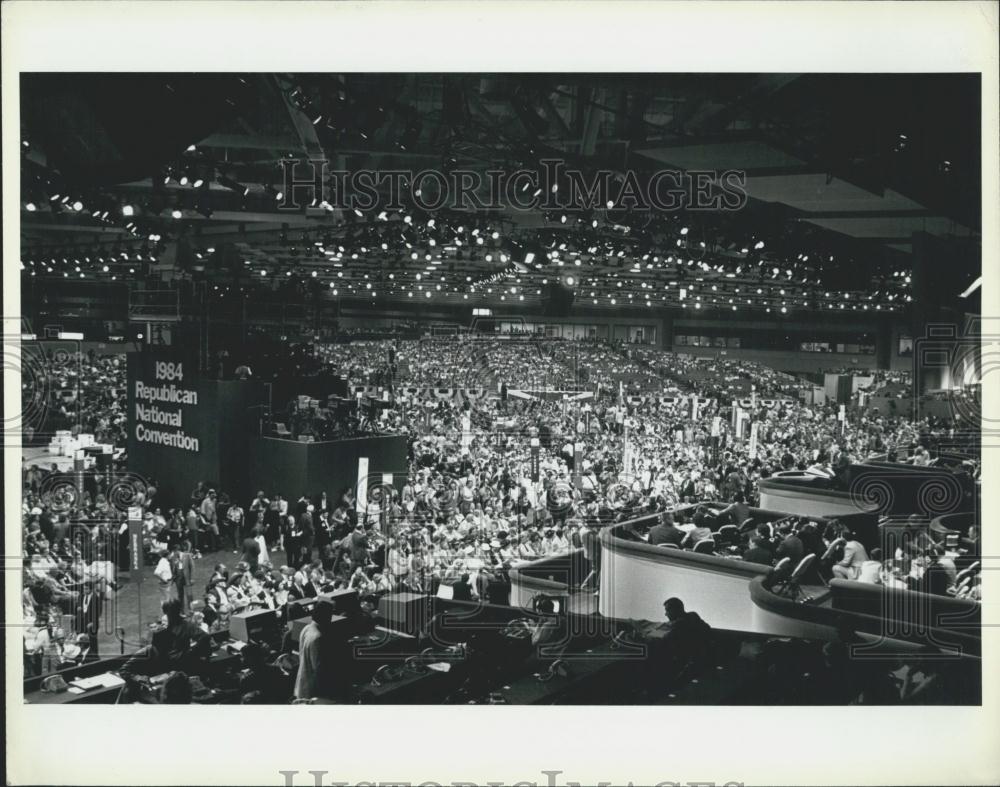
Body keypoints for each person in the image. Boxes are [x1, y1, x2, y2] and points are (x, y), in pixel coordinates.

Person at [175, 540, 196, 612]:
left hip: (187, 578)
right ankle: (182, 610)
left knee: (189, 595)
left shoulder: (187, 556)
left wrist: (192, 578)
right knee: (180, 596)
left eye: (176, 551)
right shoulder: (174, 558)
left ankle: (191, 609)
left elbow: (192, 567)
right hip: (179, 579)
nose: (175, 553)